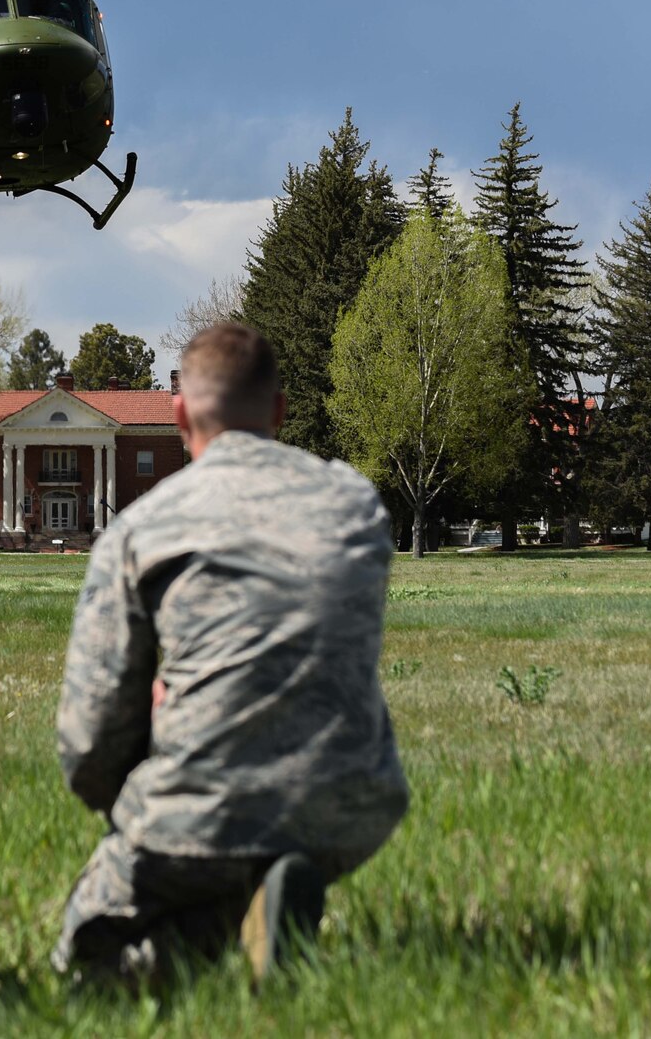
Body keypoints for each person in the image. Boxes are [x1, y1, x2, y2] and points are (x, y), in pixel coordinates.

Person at [52, 321, 408, 984]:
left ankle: (220, 914)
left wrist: (155, 752)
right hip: (352, 799)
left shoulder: (143, 527)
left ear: (179, 410)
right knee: (240, 837)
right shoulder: (356, 503)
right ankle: (258, 902)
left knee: (86, 963)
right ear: (278, 411)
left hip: (202, 801)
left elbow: (88, 741)